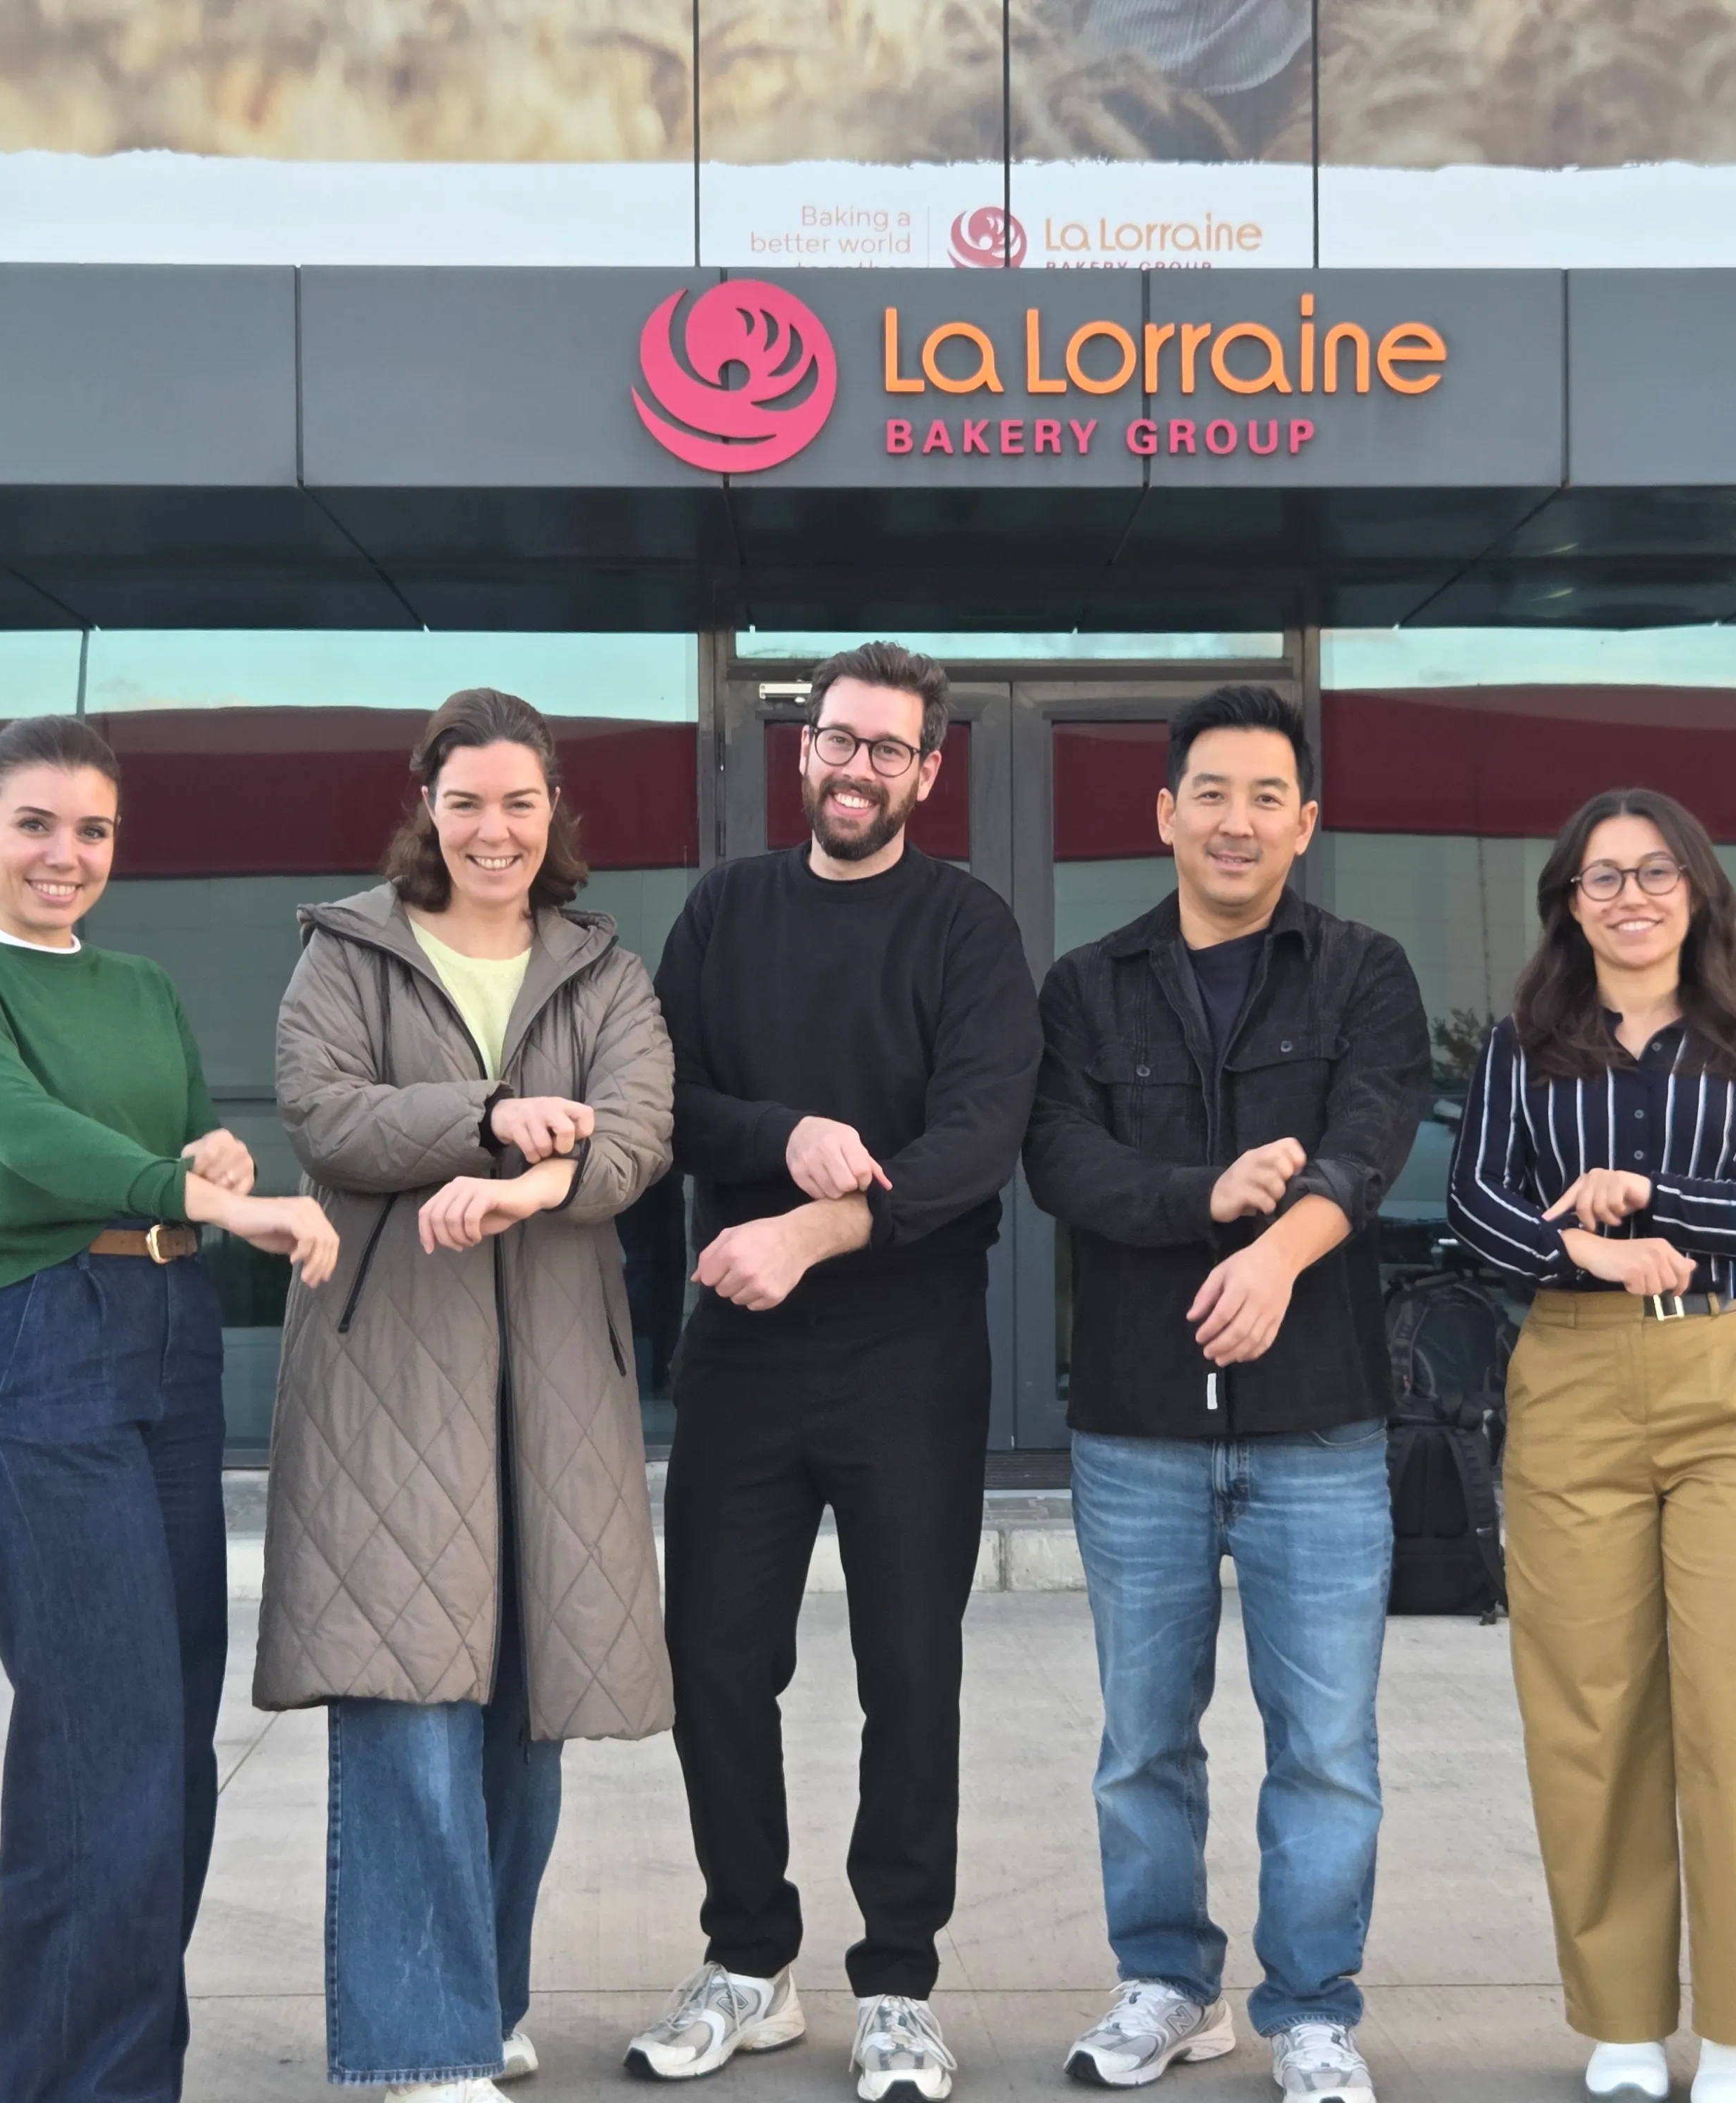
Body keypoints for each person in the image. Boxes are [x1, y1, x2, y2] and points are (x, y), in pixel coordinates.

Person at [0, 714, 340, 2103]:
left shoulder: (136, 985)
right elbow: (31, 1139)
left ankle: (118, 2063)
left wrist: (209, 1153)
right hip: (39, 1340)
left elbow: (177, 1129)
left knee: (170, 1735)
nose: (62, 854)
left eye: (90, 830)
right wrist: (215, 1195)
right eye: (32, 824)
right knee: (106, 1741)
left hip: (165, 1333)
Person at [629, 640, 1042, 2103]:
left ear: (927, 772)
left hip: (907, 1353)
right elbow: (665, 1099)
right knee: (716, 1667)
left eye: (887, 748)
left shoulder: (966, 929)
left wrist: (820, 1222)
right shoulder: (727, 911)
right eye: (835, 739)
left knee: (906, 1674)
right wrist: (782, 1135)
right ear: (798, 751)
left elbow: (981, 1135)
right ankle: (749, 1963)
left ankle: (896, 1986)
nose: (856, 766)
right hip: (737, 1348)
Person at [257, 689, 677, 2103]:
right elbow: (322, 1113)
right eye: (465, 802)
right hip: (390, 1381)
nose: (492, 829)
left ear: (554, 809)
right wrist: (487, 1118)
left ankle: (481, 2000)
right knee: (408, 1706)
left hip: (557, 1386)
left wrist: (544, 1180)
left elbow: (639, 1127)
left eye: (518, 801)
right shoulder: (348, 952)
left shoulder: (602, 969)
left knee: (525, 1721)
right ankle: (415, 2043)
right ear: (425, 807)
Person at [1022, 685, 1430, 2103]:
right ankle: (1166, 1985)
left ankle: (1310, 2009)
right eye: (1209, 791)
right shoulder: (1085, 984)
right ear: (1163, 815)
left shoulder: (1363, 971)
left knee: (1323, 1744)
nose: (1235, 819)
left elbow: (1369, 1141)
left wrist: (1271, 1253)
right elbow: (1059, 1163)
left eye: (1266, 795)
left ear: (1303, 823)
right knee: (1143, 1739)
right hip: (1135, 1425)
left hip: (1319, 1420)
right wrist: (1205, 1193)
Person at [1444, 789, 1736, 2103]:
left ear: (1699, 892)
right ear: (1567, 902)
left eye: (1655, 872)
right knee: (1590, 1713)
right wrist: (1588, 1244)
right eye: (1602, 876)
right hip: (1571, 1377)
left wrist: (1658, 1192)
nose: (1629, 895)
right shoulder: (1522, 1049)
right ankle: (1619, 2021)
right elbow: (1477, 1209)